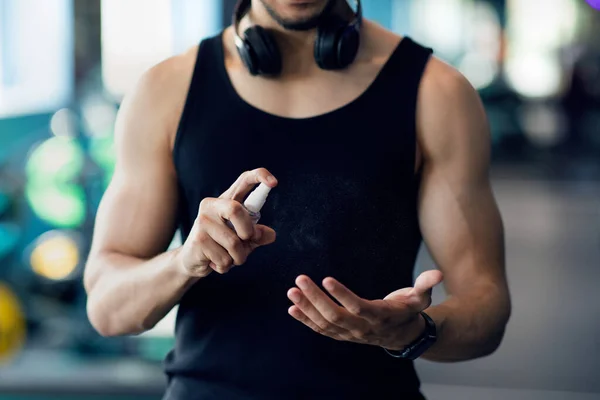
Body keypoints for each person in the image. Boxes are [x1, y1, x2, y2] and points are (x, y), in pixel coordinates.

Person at [83, 0, 511, 398]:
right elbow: (108, 310)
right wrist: (184, 262)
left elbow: (487, 312)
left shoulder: (437, 93)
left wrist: (412, 331)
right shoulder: (165, 92)